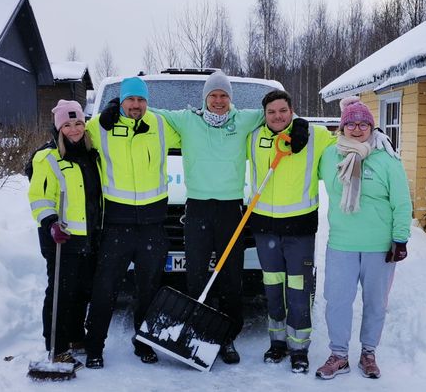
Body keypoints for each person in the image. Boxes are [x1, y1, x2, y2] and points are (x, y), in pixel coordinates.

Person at [99, 71, 310, 364]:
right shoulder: (187, 121)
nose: (219, 101)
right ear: (205, 98)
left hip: (231, 208)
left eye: (224, 95)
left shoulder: (245, 120)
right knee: (197, 275)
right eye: (214, 95)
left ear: (230, 98)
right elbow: (146, 109)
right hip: (196, 207)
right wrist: (113, 106)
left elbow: (278, 115)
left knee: (230, 277)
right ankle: (199, 333)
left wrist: (299, 123)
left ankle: (227, 338)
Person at [83, 77, 180, 369]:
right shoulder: (101, 126)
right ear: (122, 101)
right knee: (105, 287)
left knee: (149, 288)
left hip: (153, 223)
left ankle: (144, 343)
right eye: (130, 100)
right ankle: (94, 346)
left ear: (147, 101)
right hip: (117, 223)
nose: (135, 105)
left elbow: (200, 129)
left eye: (140, 100)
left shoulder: (161, 125)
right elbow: (68, 136)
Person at [315, 96, 412, 380]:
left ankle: (368, 353)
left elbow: (402, 202)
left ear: (372, 127)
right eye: (351, 124)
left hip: (378, 247)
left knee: (375, 303)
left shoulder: (387, 158)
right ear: (342, 127)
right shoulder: (330, 155)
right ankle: (339, 355)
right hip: (342, 244)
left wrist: (400, 239)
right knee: (337, 301)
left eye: (363, 124)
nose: (357, 129)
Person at [247, 90, 335, 373]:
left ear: (292, 110)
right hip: (265, 229)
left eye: (282, 110)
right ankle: (277, 343)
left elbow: (348, 139)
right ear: (264, 115)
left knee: (298, 290)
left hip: (299, 230)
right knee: (272, 288)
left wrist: (377, 135)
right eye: (271, 112)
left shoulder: (314, 135)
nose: (277, 116)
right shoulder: (253, 138)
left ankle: (299, 348)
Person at [27, 99, 102, 363]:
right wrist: (50, 223)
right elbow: (38, 196)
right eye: (67, 125)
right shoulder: (47, 157)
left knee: (83, 290)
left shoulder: (91, 155)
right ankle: (57, 347)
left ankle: (74, 334)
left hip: (88, 237)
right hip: (61, 237)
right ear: (58, 128)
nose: (74, 129)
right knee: (61, 292)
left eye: (78, 123)